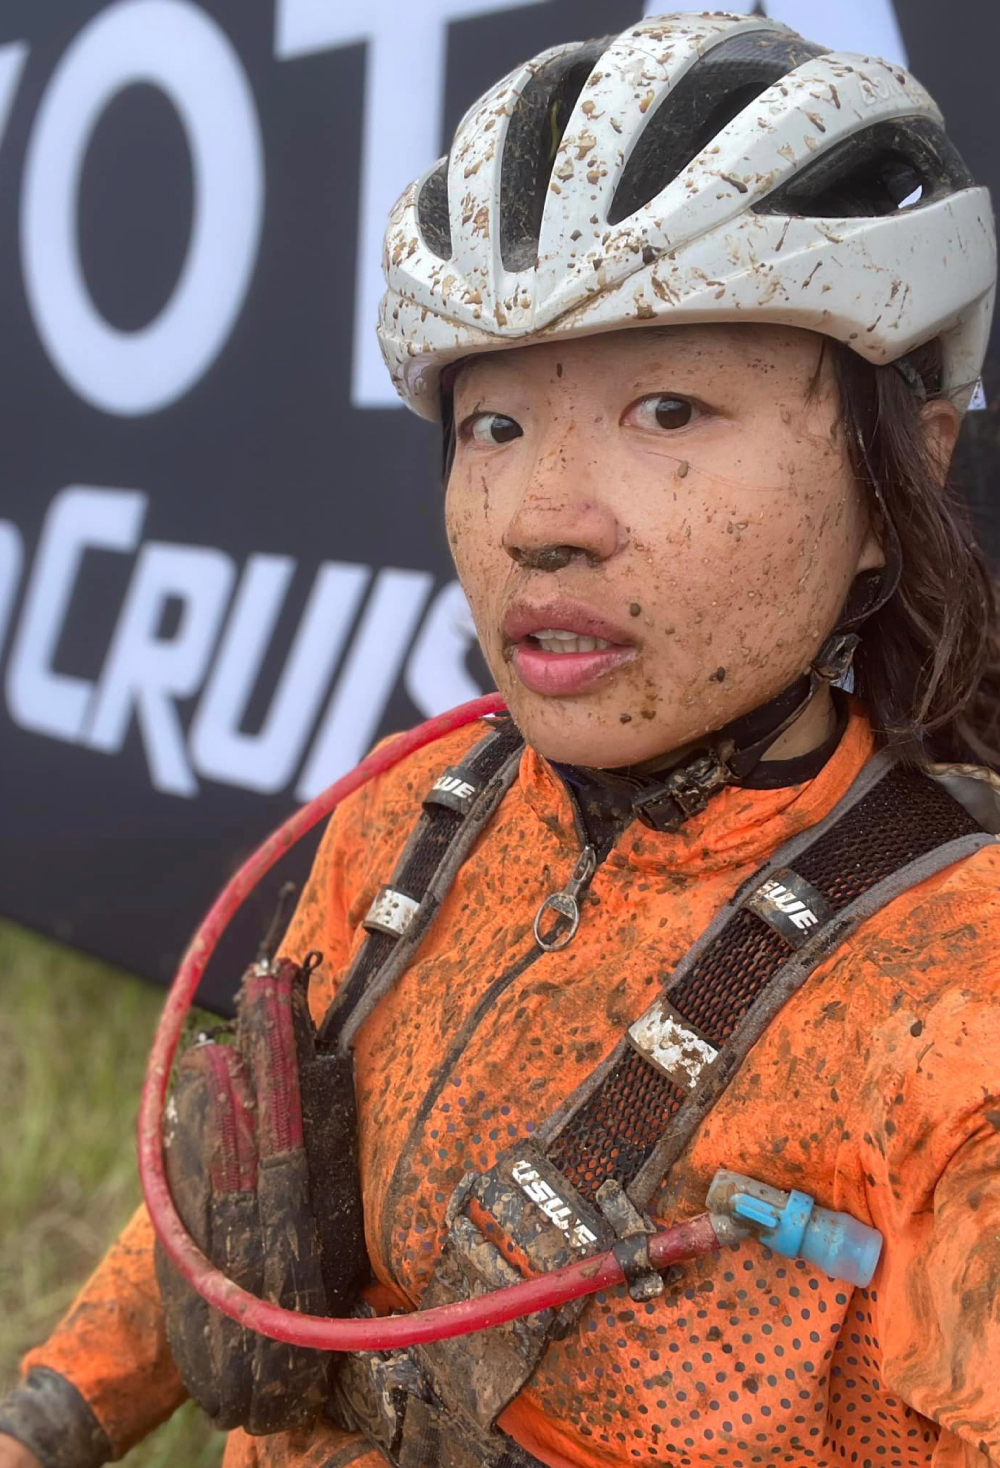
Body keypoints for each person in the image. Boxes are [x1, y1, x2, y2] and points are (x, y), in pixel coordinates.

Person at [2, 11, 999, 1468]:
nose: (541, 521)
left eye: (668, 409)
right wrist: (48, 1419)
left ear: (903, 469)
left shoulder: (956, 1008)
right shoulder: (418, 809)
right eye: (496, 428)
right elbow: (237, 1209)